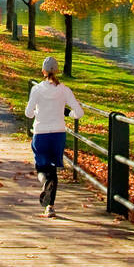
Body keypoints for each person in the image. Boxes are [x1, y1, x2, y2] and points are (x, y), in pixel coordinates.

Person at [24, 56, 84, 218]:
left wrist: (37, 111)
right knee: (53, 170)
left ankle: (45, 183)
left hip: (41, 133)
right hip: (58, 134)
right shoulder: (64, 90)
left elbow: (28, 113)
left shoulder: (37, 89)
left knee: (42, 169)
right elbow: (79, 113)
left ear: (43, 71)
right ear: (57, 71)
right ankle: (50, 207)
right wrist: (67, 112)